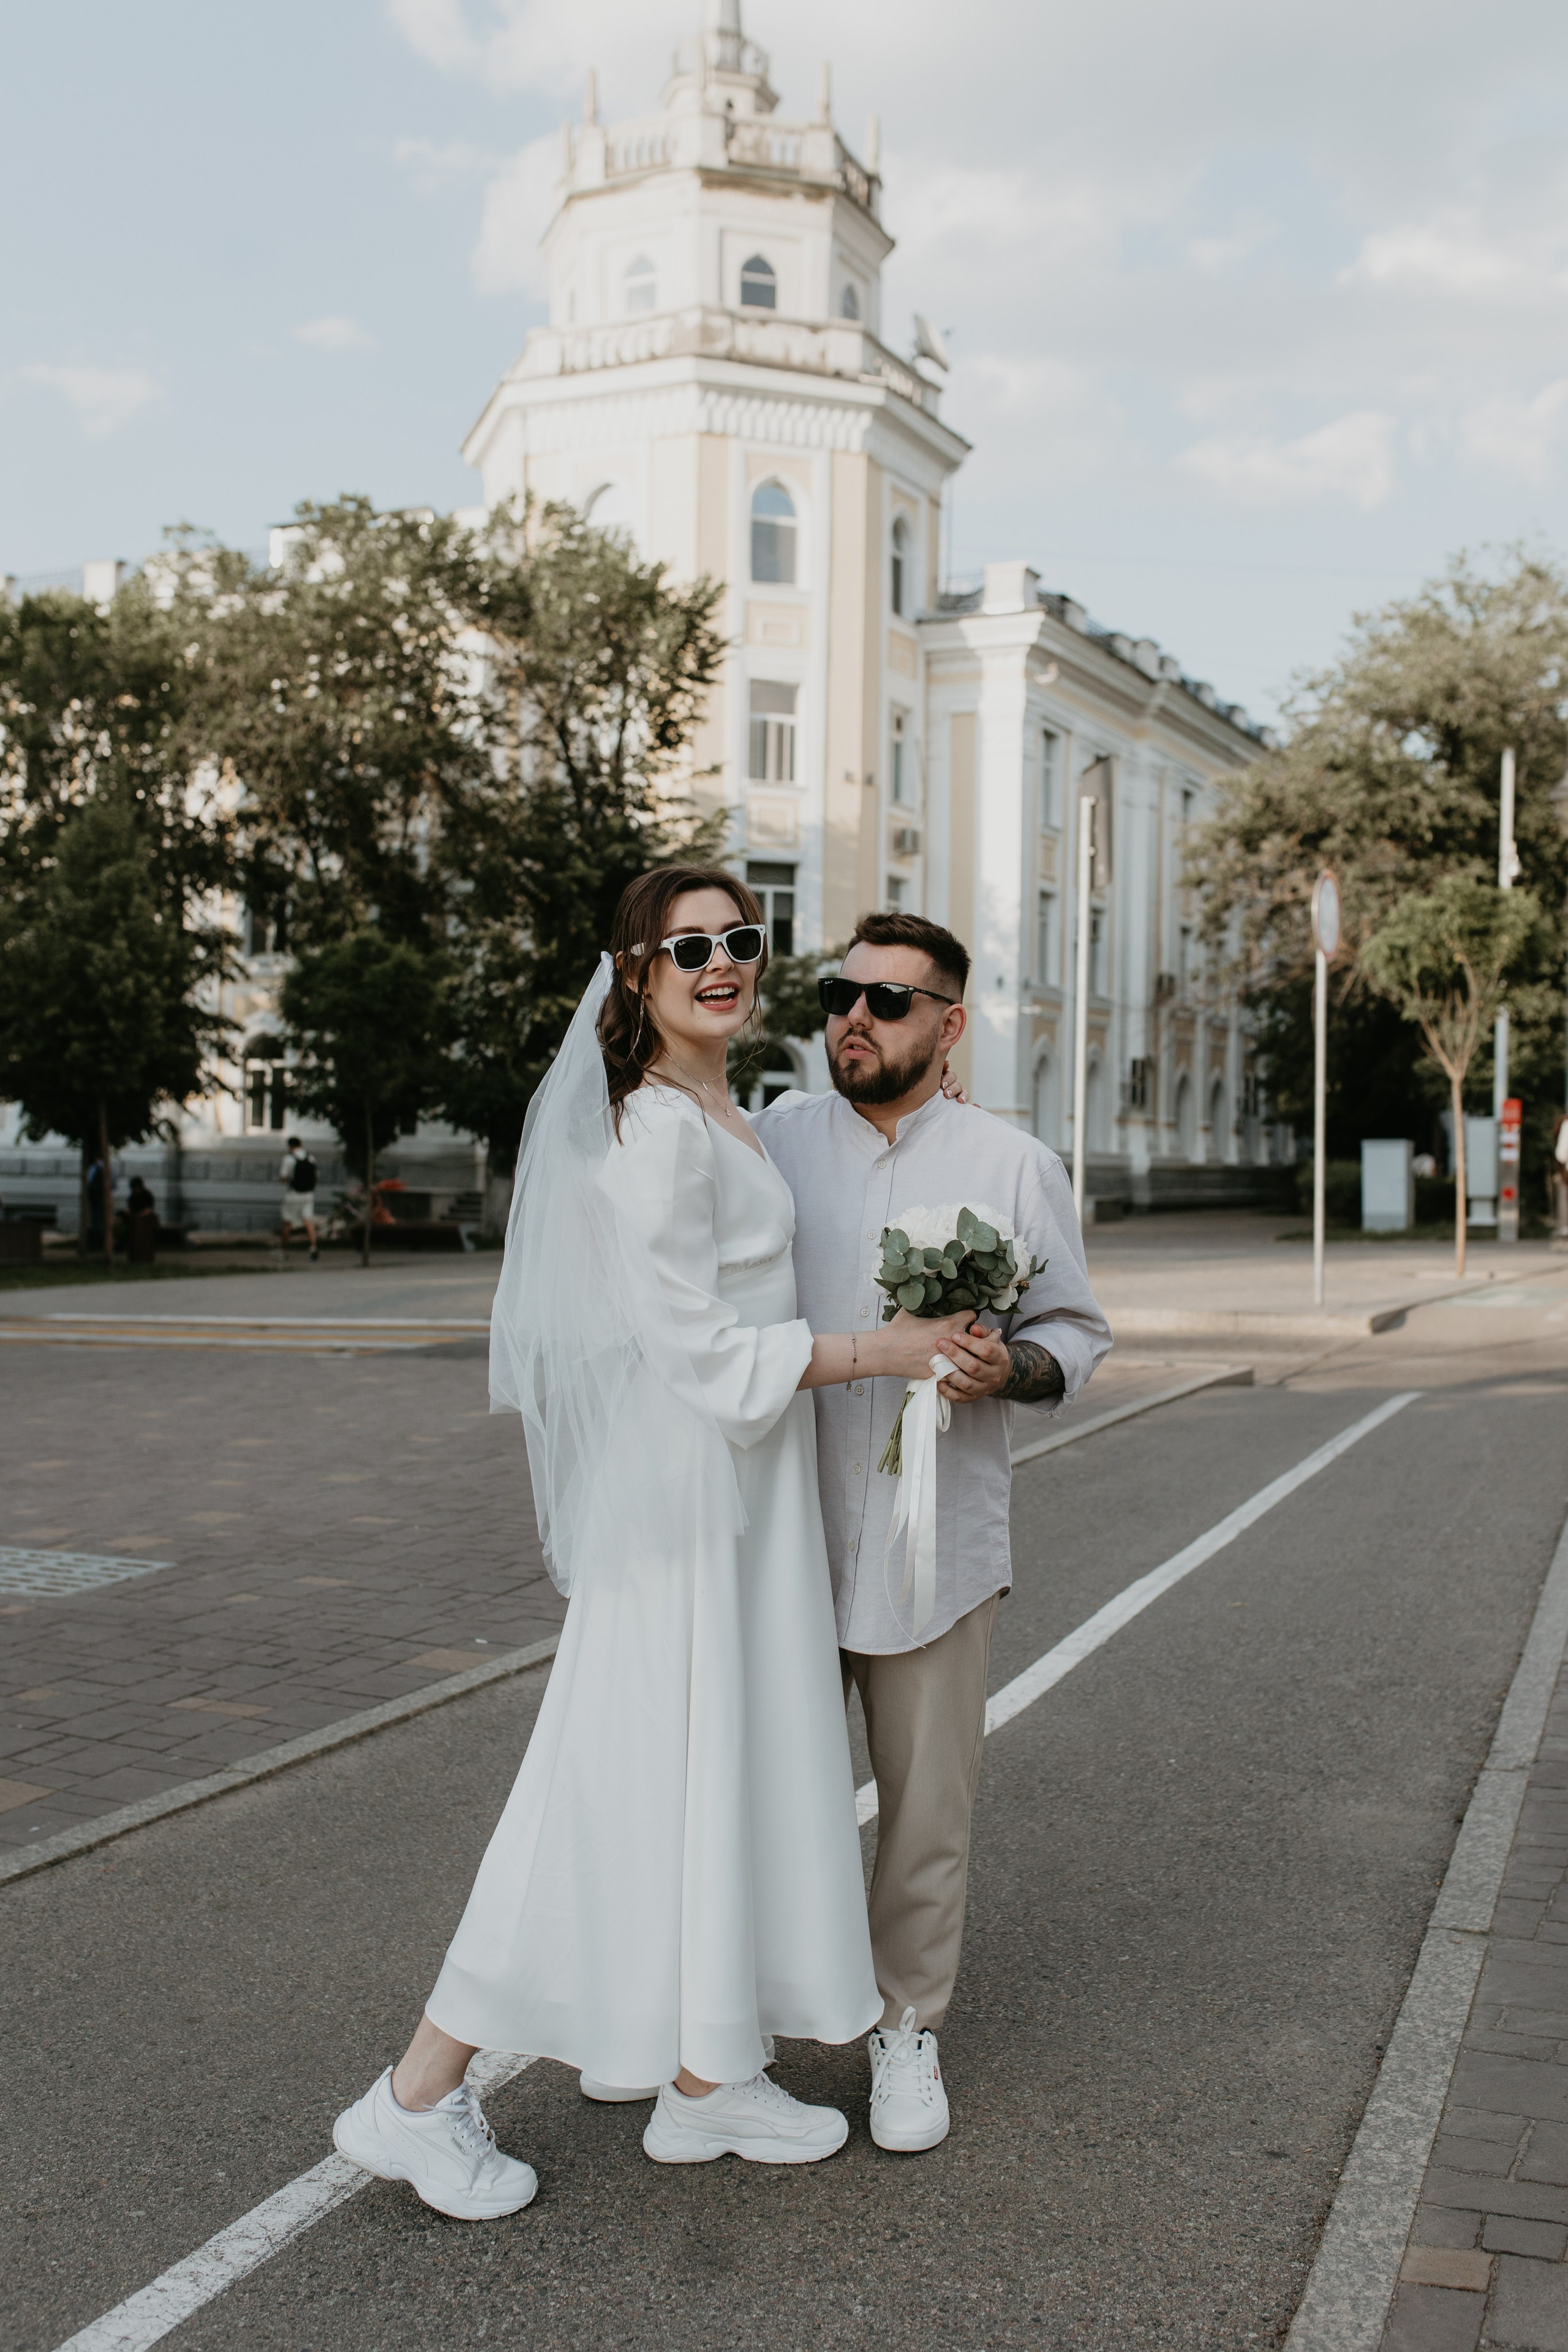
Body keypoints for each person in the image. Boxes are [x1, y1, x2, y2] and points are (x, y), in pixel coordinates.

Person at [331, 868, 972, 2218]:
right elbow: (696, 1350)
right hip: (686, 1503)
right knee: (603, 1786)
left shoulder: (724, 1112)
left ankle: (705, 2075)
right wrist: (887, 1350)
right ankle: (414, 2096)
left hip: (739, 1499)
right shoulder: (650, 1133)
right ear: (636, 973)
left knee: (715, 1774)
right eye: (691, 948)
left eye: (742, 941)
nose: (723, 964)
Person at [752, 910, 1111, 2155]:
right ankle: (724, 2038)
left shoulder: (1012, 1167)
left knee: (922, 1814)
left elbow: (1073, 1334)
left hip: (934, 1547)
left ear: (949, 1025)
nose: (853, 1016)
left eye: (886, 1000)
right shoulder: (765, 1144)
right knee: (760, 1797)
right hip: (774, 1543)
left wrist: (1001, 1366)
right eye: (836, 993)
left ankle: (906, 2030)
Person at [279, 1136, 319, 1261]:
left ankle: (284, 1251)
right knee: (309, 1221)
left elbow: (283, 1178)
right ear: (301, 1144)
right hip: (308, 1195)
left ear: (290, 1146)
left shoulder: (289, 1159)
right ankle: (314, 1247)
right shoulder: (311, 1158)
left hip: (293, 1195)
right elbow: (316, 1176)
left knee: (287, 1222)